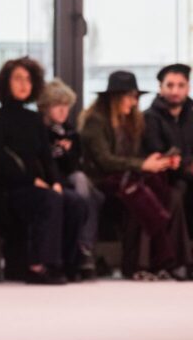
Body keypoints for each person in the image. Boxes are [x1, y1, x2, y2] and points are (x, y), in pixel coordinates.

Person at [0, 57, 87, 284]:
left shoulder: (34, 119)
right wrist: (32, 181)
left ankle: (68, 264)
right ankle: (39, 265)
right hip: (7, 187)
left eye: (28, 79)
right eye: (17, 78)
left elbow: (46, 157)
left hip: (36, 185)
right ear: (6, 82)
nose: (23, 84)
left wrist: (55, 182)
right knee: (49, 200)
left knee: (75, 201)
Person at [79, 70, 189, 280]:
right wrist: (142, 165)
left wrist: (160, 161)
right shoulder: (96, 121)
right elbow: (105, 161)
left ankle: (175, 261)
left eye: (136, 97)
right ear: (116, 97)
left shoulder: (132, 121)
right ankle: (141, 263)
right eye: (130, 96)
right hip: (104, 181)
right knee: (140, 195)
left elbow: (136, 157)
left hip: (128, 177)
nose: (134, 102)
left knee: (170, 194)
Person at [36, 78, 99, 279]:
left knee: (91, 192)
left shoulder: (71, 132)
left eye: (66, 105)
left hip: (68, 179)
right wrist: (58, 152)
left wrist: (67, 153)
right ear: (45, 107)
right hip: (49, 181)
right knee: (82, 189)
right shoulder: (38, 130)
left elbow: (76, 164)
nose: (63, 111)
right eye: (57, 105)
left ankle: (83, 246)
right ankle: (82, 248)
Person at [143, 63, 193, 234]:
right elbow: (157, 152)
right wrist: (186, 165)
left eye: (180, 85)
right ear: (160, 88)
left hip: (187, 173)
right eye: (170, 85)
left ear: (188, 88)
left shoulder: (191, 114)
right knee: (178, 192)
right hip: (166, 177)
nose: (175, 91)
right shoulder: (150, 117)